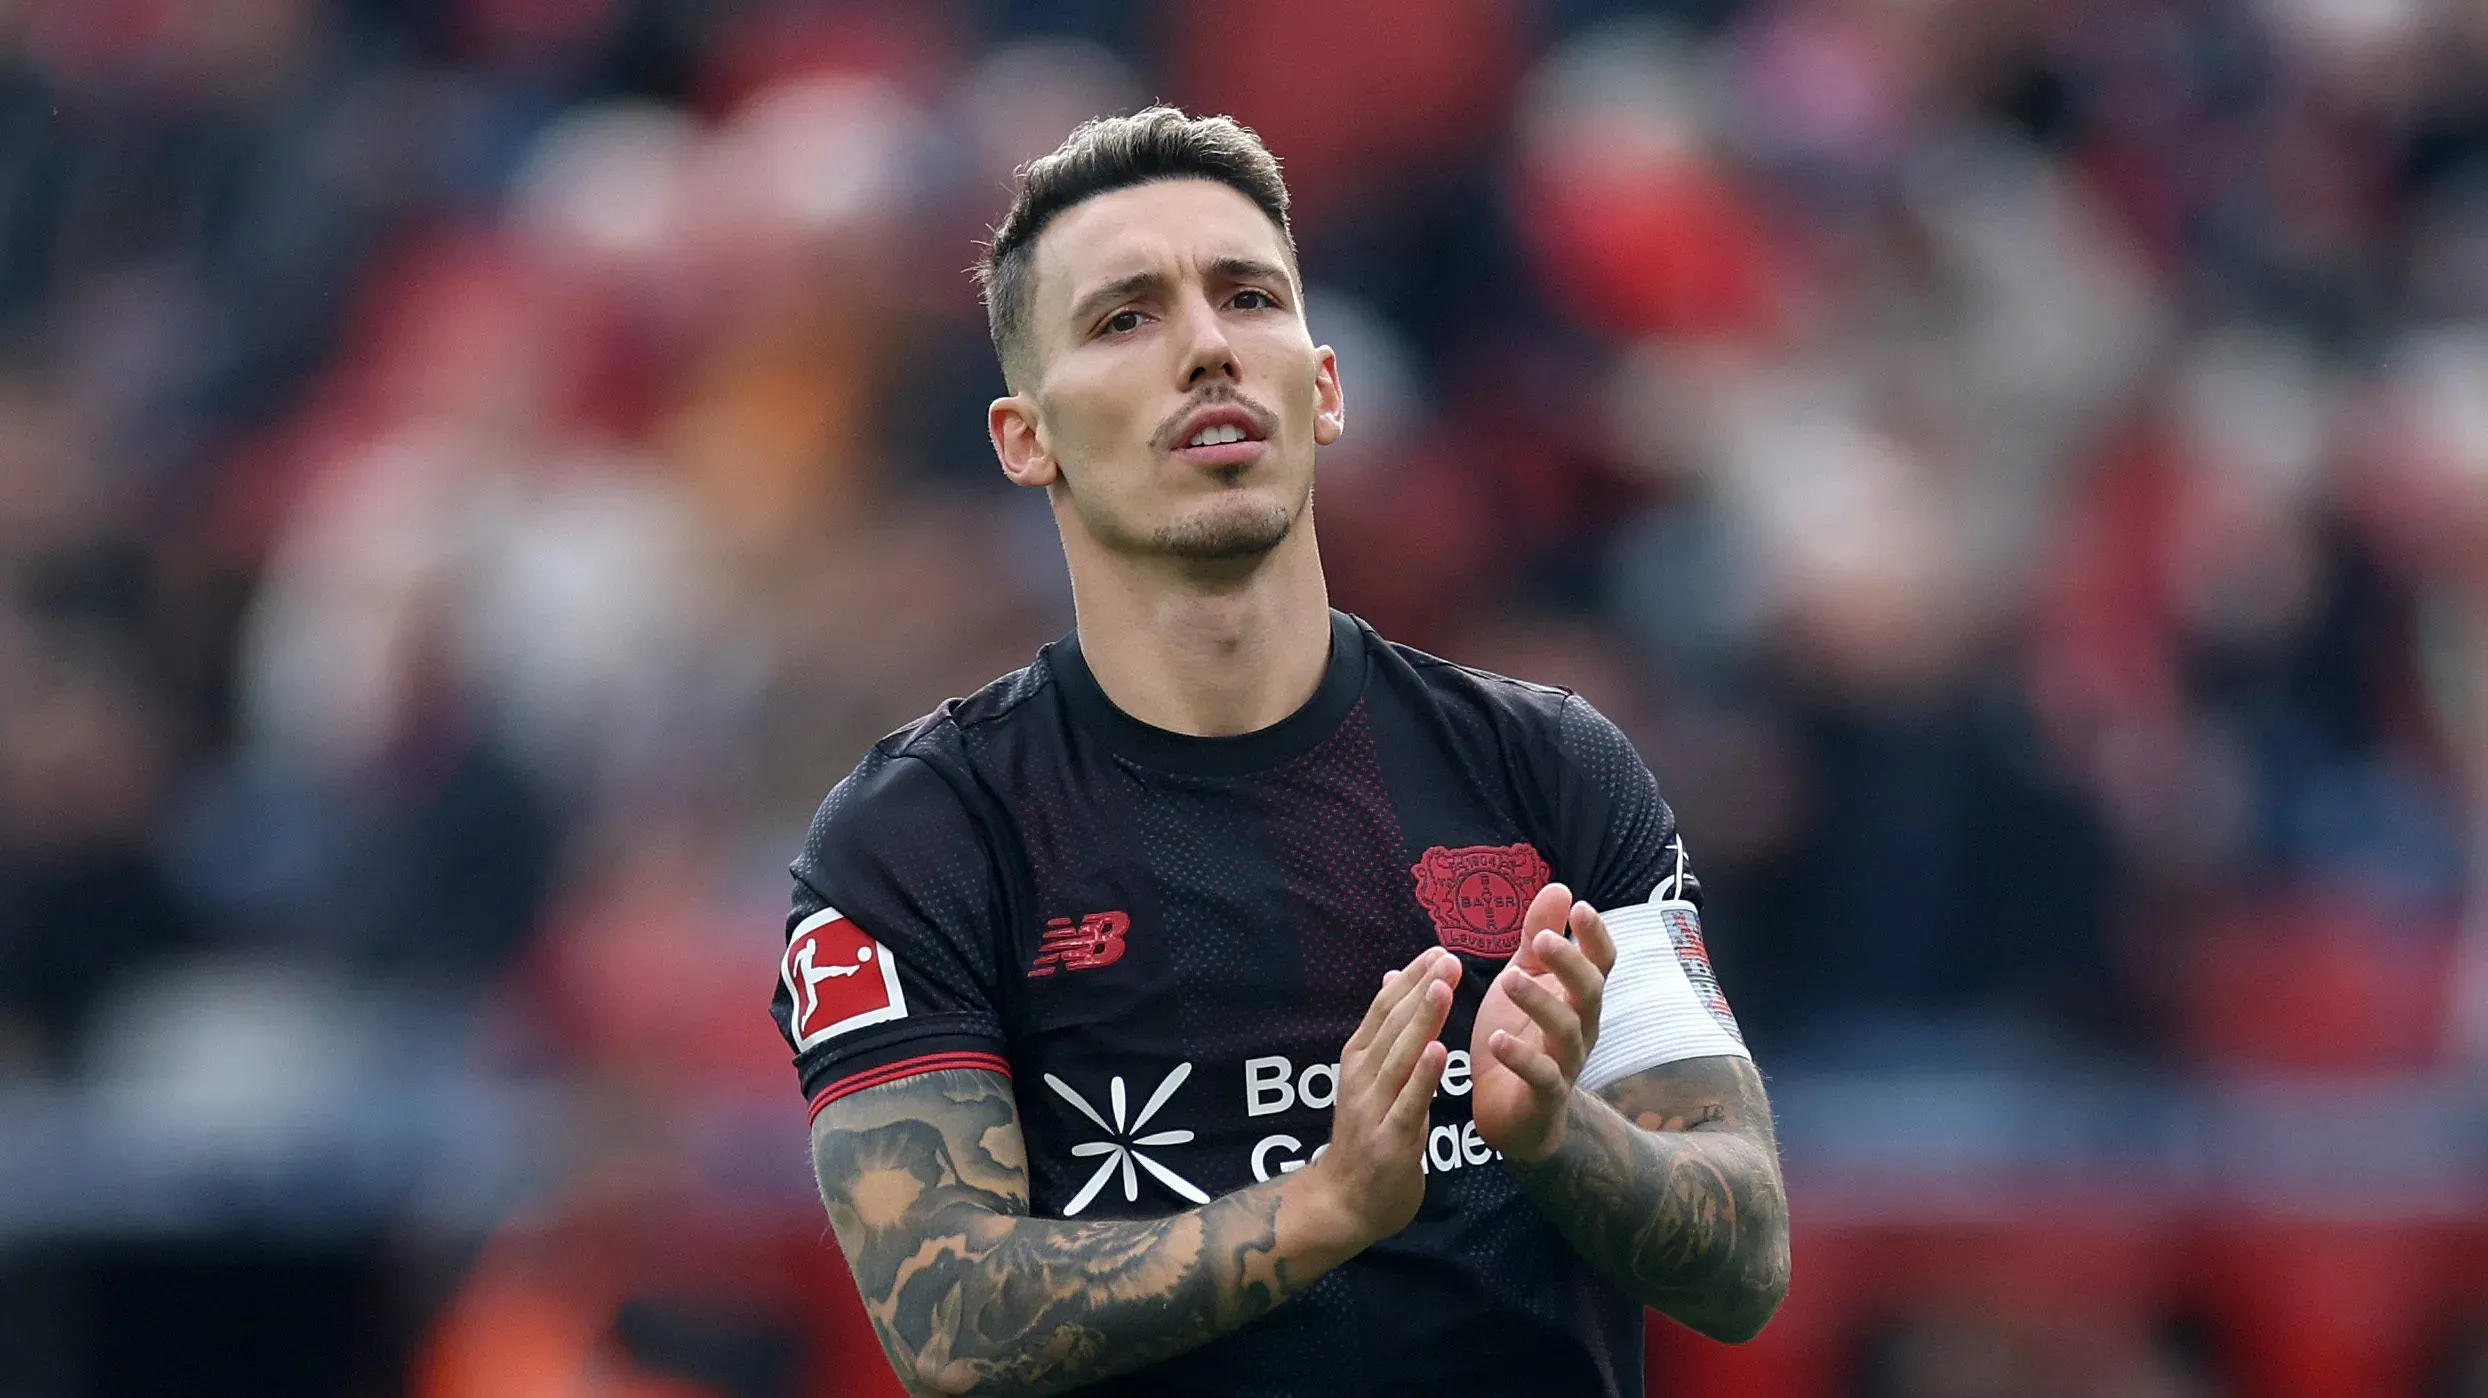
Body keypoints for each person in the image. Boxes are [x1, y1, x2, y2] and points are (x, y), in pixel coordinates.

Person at [768, 107, 1789, 1397]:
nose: (1206, 346)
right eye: (1126, 317)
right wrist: (1324, 1206)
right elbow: (947, 1318)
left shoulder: (1552, 770)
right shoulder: (921, 837)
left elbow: (1745, 1257)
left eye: (1248, 297)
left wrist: (1554, 1133)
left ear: (1322, 386)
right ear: (1025, 439)